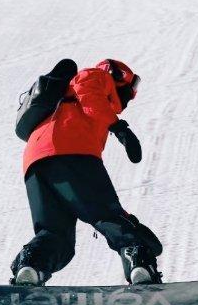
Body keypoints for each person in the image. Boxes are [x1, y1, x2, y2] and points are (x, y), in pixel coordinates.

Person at [10, 59, 164, 286]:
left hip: (37, 163)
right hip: (70, 153)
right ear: (119, 77)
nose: (131, 96)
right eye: (132, 88)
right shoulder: (93, 75)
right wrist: (120, 129)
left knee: (55, 235)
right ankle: (140, 266)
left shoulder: (64, 101)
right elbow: (89, 96)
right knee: (107, 216)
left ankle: (31, 268)